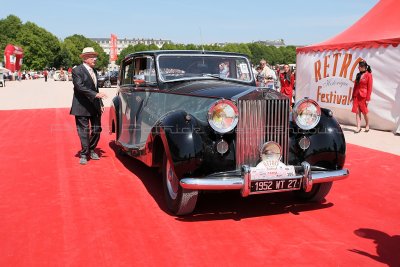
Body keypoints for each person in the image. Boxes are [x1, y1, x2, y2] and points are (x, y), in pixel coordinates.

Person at [70, 47, 108, 165]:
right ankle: (84, 153)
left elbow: (96, 88)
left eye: (95, 56)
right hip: (81, 106)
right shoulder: (77, 71)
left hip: (95, 105)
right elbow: (79, 87)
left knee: (97, 129)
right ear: (85, 58)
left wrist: (100, 102)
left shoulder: (94, 71)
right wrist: (96, 94)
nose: (95, 59)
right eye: (92, 57)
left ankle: (91, 149)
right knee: (84, 131)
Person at [351, 60, 373, 133]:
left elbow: (370, 88)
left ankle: (367, 125)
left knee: (365, 112)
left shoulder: (369, 75)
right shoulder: (358, 75)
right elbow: (355, 86)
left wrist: (368, 99)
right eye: (359, 66)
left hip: (363, 96)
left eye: (361, 66)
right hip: (356, 95)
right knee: (357, 112)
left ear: (365, 67)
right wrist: (352, 96)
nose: (359, 68)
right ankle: (358, 127)